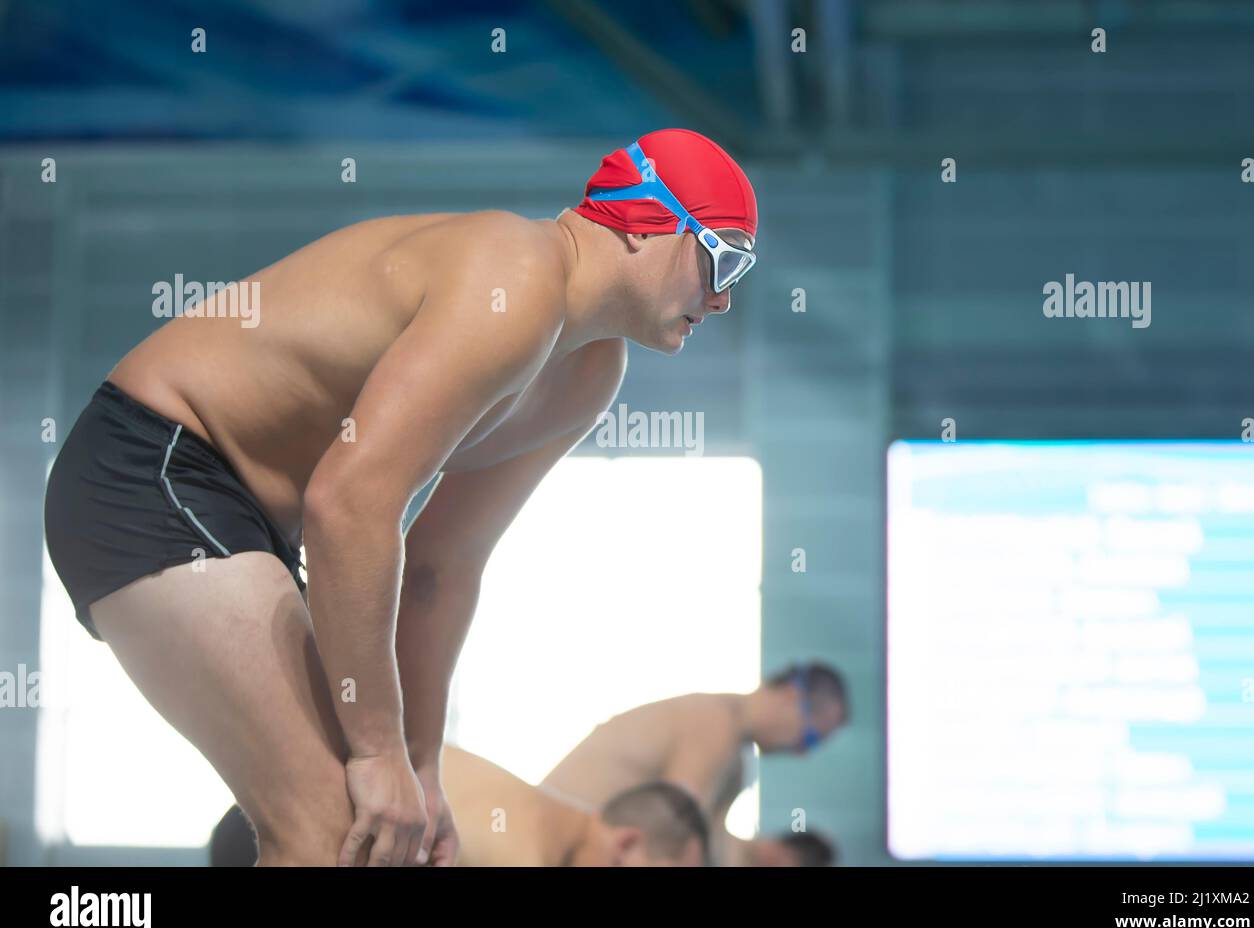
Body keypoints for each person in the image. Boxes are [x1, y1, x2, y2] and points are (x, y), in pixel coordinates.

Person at [43, 128, 758, 866]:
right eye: (722, 258)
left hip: (247, 519)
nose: (725, 297)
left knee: (375, 840)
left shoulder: (589, 375)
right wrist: (376, 747)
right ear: (648, 221)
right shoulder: (514, 276)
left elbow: (443, 563)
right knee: (330, 840)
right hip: (153, 466)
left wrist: (418, 763)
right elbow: (348, 504)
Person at [541, 663, 848, 865]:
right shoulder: (716, 723)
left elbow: (709, 847)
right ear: (791, 696)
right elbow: (670, 841)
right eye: (809, 738)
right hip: (547, 850)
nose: (800, 753)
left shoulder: (735, 767)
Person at [207, 745, 710, 867]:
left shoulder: (543, 814)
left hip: (264, 810)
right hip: (271, 830)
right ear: (628, 842)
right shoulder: (526, 851)